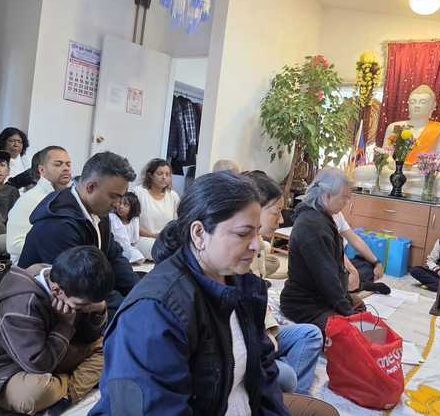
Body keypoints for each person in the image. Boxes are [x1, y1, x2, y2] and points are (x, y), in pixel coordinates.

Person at [90, 171, 290, 415]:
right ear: (198, 234)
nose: (256, 244)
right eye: (242, 233)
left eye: (257, 232)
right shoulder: (154, 311)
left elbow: (263, 373)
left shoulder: (244, 285)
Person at [0, 245, 112, 414]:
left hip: (55, 353)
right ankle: (68, 386)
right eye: (83, 305)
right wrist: (65, 324)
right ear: (57, 290)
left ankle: (66, 394)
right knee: (35, 393)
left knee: (112, 346)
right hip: (5, 371)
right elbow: (38, 365)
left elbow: (89, 337)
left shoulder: (66, 281)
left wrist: (98, 309)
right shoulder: (20, 304)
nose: (87, 307)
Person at [19, 151, 139, 318]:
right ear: (90, 187)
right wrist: (128, 306)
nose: (118, 204)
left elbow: (114, 256)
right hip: (46, 307)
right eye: (114, 197)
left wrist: (138, 292)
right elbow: (79, 283)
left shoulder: (98, 211)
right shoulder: (59, 225)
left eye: (121, 197)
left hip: (83, 293)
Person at [248, 172, 324, 396]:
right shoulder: (236, 252)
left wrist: (270, 329)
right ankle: (289, 399)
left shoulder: (260, 246)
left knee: (310, 334)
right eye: (276, 212)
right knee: (288, 375)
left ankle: (291, 400)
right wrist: (266, 334)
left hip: (261, 328)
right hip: (247, 338)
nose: (281, 220)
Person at [281, 168, 367, 331]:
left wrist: (346, 299)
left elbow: (333, 270)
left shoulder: (321, 217)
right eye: (344, 197)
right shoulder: (312, 226)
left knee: (360, 310)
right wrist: (346, 310)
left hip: (320, 297)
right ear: (327, 195)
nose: (346, 202)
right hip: (304, 304)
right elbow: (326, 278)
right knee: (349, 331)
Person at [6, 146, 72, 261]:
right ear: (42, 170)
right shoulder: (30, 199)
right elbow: (14, 245)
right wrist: (59, 251)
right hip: (31, 270)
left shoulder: (70, 197)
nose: (66, 168)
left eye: (68, 164)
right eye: (58, 164)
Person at [131, 158, 180, 260]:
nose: (164, 177)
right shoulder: (138, 192)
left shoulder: (173, 196)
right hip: (143, 239)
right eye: (160, 173)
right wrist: (153, 235)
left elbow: (176, 224)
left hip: (166, 240)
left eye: (167, 174)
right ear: (150, 175)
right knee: (161, 250)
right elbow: (131, 223)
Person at [110, 192, 146, 264]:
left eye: (125, 204)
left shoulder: (134, 219)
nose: (121, 206)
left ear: (132, 208)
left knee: (139, 255)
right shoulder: (112, 217)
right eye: (119, 203)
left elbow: (134, 239)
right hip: (116, 248)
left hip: (130, 247)